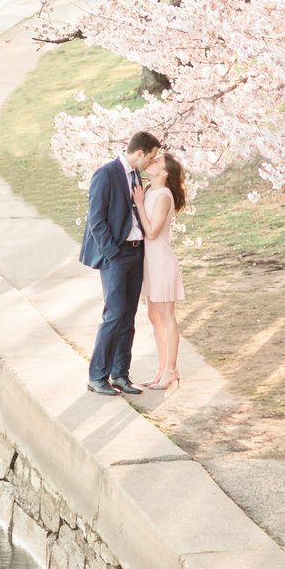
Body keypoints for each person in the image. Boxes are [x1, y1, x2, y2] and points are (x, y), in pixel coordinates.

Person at [78, 131, 162, 396]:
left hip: (136, 254)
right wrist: (112, 253)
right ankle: (97, 376)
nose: (152, 162)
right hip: (115, 255)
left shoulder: (136, 175)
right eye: (151, 157)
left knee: (128, 317)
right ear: (140, 153)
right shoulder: (106, 174)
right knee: (113, 315)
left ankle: (120, 375)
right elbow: (96, 220)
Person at [131, 148, 186, 390]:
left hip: (161, 263)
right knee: (154, 318)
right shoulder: (149, 191)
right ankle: (161, 369)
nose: (151, 162)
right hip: (149, 264)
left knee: (166, 318)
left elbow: (152, 232)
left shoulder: (163, 195)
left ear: (164, 172)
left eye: (157, 161)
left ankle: (171, 370)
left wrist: (140, 204)